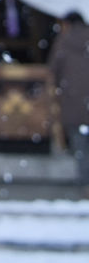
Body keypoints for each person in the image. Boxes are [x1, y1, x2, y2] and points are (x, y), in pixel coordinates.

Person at [49, 11, 89, 186]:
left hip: (75, 102)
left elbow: (53, 69)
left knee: (81, 149)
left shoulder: (64, 42)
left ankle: (85, 185)